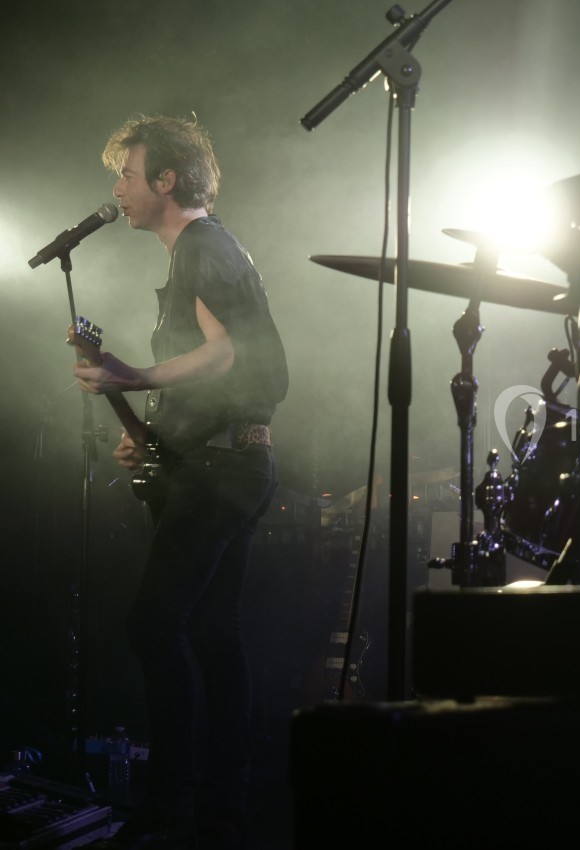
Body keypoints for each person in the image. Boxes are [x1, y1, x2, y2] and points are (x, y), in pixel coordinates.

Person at [72, 114, 289, 848]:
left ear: (166, 180)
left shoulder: (204, 244)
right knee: (211, 631)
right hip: (216, 458)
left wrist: (134, 374)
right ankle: (221, 810)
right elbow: (211, 376)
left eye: (128, 176)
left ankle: (170, 802)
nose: (118, 190)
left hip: (225, 466)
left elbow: (228, 356)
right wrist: (149, 440)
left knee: (153, 621)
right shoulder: (195, 253)